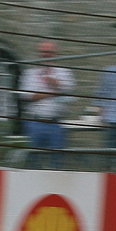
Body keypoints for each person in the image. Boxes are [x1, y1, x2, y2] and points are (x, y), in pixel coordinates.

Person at [20, 39, 75, 169]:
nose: (46, 54)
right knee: (33, 160)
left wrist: (54, 83)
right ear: (39, 53)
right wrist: (53, 93)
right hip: (35, 123)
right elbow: (27, 96)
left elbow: (70, 90)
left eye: (49, 51)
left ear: (55, 53)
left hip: (55, 124)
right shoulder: (30, 73)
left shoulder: (63, 72)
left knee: (57, 161)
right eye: (43, 51)